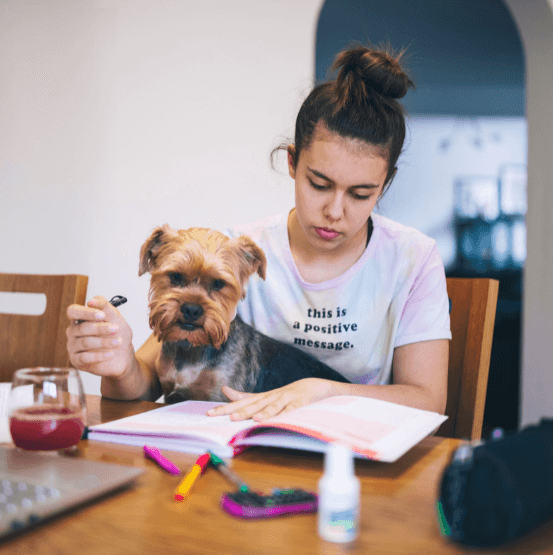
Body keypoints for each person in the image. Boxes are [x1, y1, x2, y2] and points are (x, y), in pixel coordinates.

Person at [66, 45, 451, 421]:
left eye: (361, 193)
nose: (335, 211)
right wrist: (118, 364)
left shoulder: (412, 258)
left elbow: (427, 401)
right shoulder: (234, 253)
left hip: (357, 454)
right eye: (319, 183)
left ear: (385, 184)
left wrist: (322, 390)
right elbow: (150, 380)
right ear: (292, 161)